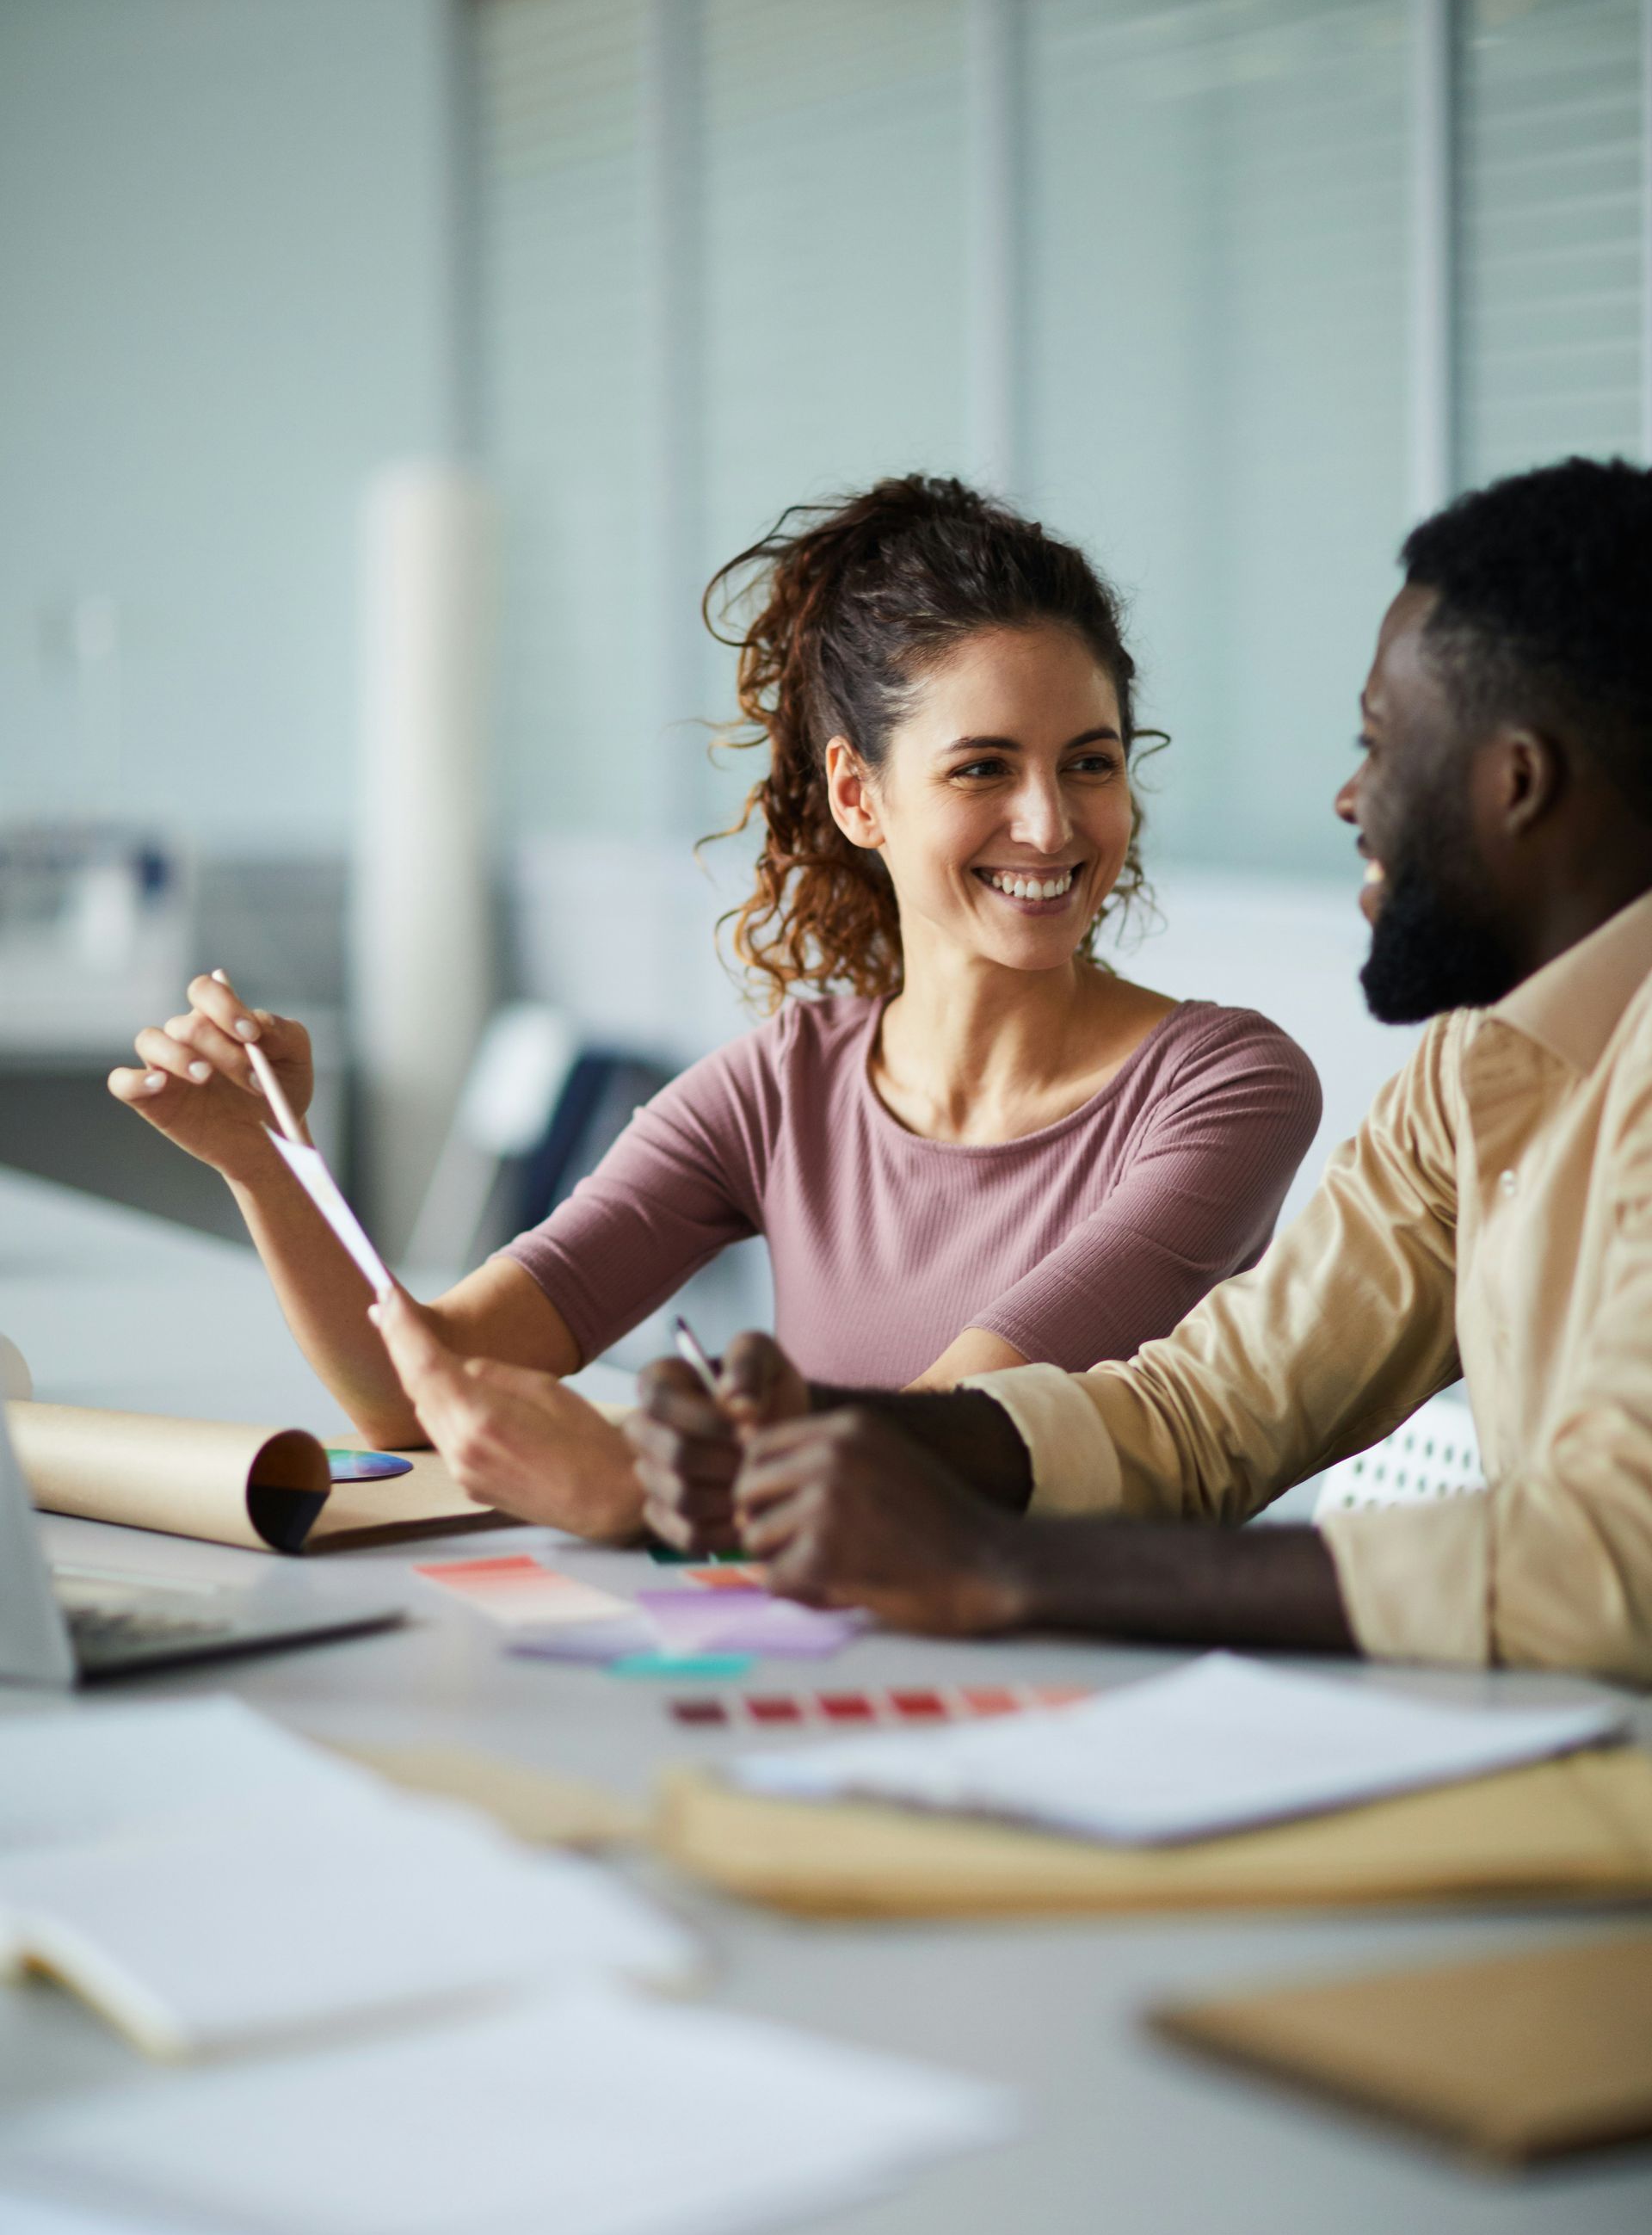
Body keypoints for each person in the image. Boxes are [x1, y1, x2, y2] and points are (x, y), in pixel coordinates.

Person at [113, 477, 1317, 1539]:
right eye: (983, 768)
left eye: (1091, 762)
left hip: (1101, 1685)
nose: (1052, 824)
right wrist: (270, 1166)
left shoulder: (1224, 1088)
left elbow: (963, 1437)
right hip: (832, 1653)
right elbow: (415, 1384)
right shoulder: (784, 1084)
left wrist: (641, 1481)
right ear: (859, 794)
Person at [626, 456, 1652, 1685]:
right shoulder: (1477, 1075)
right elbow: (1207, 1411)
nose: (1347, 797)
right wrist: (825, 1431)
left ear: (1516, 784)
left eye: (1378, 744)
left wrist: (1001, 1567)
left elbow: (1611, 1560)